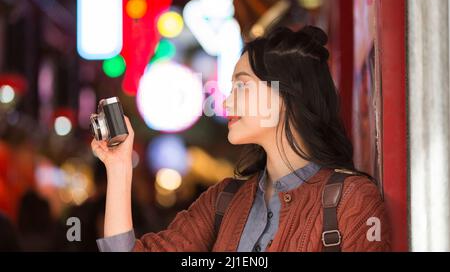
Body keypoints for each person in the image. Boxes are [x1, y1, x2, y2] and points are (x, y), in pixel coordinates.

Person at [93, 25, 391, 252]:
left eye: (242, 87)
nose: (227, 102)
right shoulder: (223, 200)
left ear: (284, 96)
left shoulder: (351, 201)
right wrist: (119, 168)